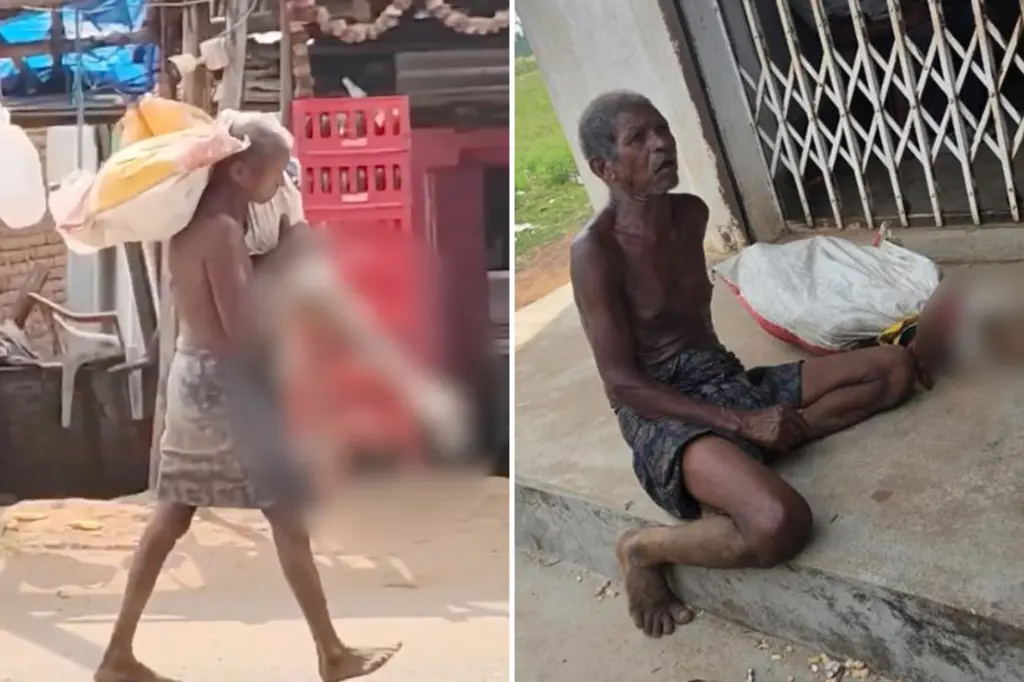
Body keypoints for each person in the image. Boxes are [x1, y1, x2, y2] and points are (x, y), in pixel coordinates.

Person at [569, 91, 927, 640]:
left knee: (894, 370)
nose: (661, 143)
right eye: (638, 139)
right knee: (778, 522)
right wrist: (740, 423)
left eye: (661, 129)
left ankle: (751, 453)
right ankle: (642, 549)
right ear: (604, 167)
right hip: (664, 413)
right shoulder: (596, 251)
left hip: (726, 380)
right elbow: (621, 383)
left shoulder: (692, 213)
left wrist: (748, 411)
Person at [93, 115, 400, 682]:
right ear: (240, 170)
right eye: (274, 171)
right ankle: (331, 654)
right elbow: (242, 328)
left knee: (173, 514)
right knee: (286, 515)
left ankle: (118, 652)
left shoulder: (195, 227)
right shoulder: (224, 231)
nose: (280, 182)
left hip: (194, 377)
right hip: (227, 387)